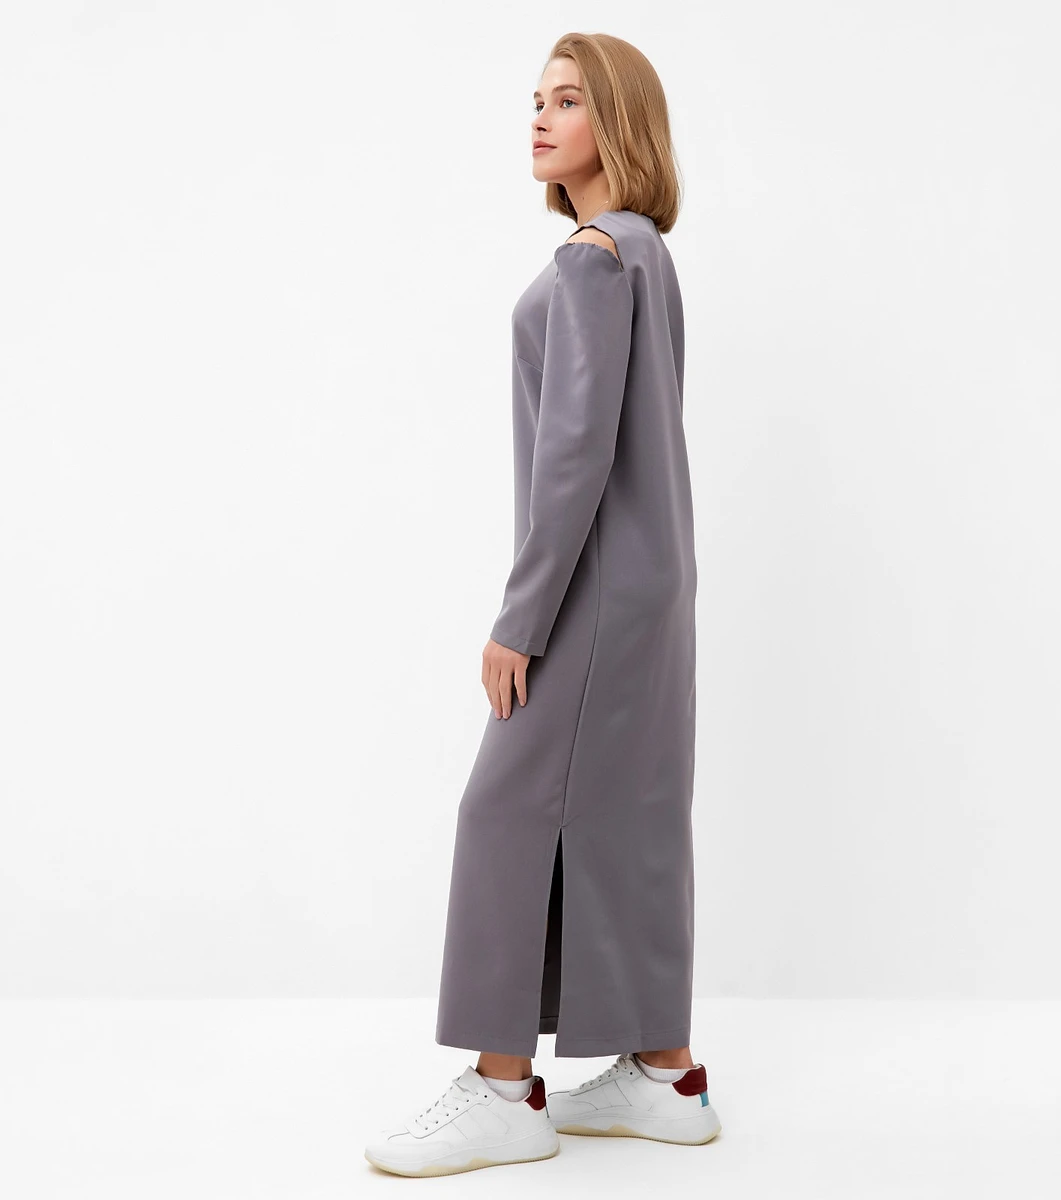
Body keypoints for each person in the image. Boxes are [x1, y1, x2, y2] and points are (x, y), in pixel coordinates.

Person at [364, 31, 719, 1177]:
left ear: (617, 123)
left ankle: (503, 1088)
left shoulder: (591, 259)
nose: (539, 118)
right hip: (653, 581)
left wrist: (521, 618)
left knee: (503, 811)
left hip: (594, 588)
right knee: (630, 816)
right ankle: (666, 1073)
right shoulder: (644, 251)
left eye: (567, 101)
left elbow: (575, 456)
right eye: (536, 99)